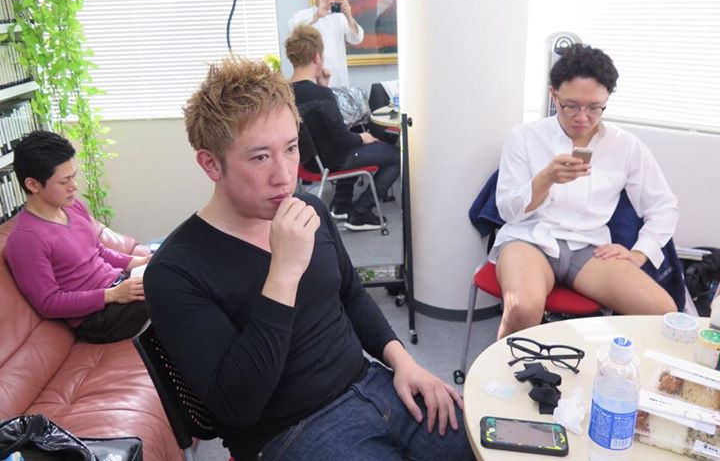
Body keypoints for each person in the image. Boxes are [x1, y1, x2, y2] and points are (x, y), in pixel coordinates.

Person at [143, 58, 471, 461]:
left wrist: (404, 362)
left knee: (485, 445)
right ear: (211, 163)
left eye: (291, 148)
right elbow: (236, 407)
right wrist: (283, 272)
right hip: (290, 432)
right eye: (260, 157)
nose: (285, 175)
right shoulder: (175, 271)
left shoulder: (307, 209)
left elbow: (352, 296)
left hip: (372, 385)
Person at [491, 44, 679, 339]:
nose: (582, 117)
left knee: (662, 312)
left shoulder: (625, 146)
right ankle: (502, 369)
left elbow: (664, 207)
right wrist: (546, 178)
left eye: (594, 107)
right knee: (523, 307)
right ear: (553, 95)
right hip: (529, 239)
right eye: (571, 106)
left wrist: (639, 253)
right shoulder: (524, 137)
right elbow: (507, 210)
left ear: (607, 100)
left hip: (590, 247)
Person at [4, 130, 149, 343]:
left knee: (173, 264)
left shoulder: (72, 206)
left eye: (73, 176)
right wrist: (112, 295)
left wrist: (141, 262)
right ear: (33, 185)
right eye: (65, 181)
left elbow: (98, 251)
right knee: (174, 289)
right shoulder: (26, 239)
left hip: (120, 288)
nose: (74, 186)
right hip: (97, 317)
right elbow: (48, 303)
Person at [285, 24, 400, 231]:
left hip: (308, 162)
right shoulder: (321, 95)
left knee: (357, 141)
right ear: (317, 57)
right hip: (333, 161)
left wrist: (322, 87)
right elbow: (341, 138)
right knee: (395, 156)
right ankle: (361, 212)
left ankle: (341, 204)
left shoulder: (283, 93)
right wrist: (363, 138)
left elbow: (319, 124)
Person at [288, 0, 363, 88]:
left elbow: (357, 39)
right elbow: (293, 32)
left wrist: (349, 16)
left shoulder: (340, 17)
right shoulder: (302, 15)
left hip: (339, 81)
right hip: (313, 82)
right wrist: (316, 16)